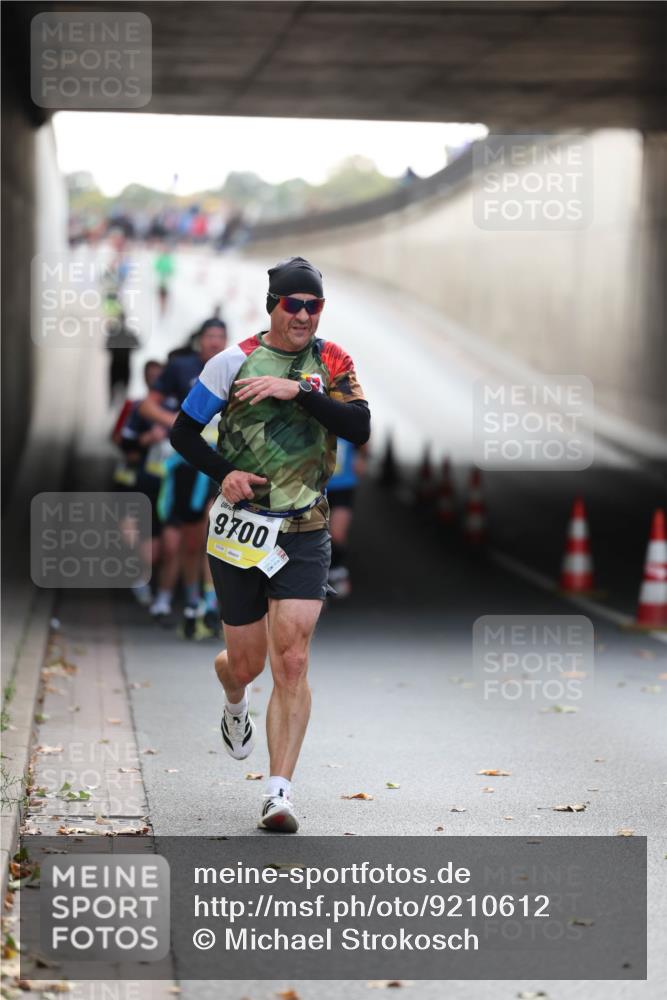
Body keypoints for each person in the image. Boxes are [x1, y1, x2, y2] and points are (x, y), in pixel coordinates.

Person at [170, 256, 370, 832]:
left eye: (314, 305)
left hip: (305, 527)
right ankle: (235, 698)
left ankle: (278, 793)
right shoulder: (230, 362)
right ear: (273, 306)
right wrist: (223, 473)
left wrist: (299, 391)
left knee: (293, 658)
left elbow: (358, 426)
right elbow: (184, 431)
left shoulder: (332, 362)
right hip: (240, 530)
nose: (305, 314)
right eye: (294, 304)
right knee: (247, 663)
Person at [139, 321, 227, 634]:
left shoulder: (236, 367)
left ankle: (210, 600)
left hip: (222, 466)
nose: (215, 343)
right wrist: (179, 426)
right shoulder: (180, 368)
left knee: (215, 530)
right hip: (185, 464)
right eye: (210, 337)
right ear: (199, 340)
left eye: (221, 338)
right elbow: (148, 406)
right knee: (188, 541)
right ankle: (191, 600)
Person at [326, 438, 369, 598]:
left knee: (337, 534)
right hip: (315, 486)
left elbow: (363, 435)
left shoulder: (347, 413)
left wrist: (362, 457)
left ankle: (336, 569)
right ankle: (316, 579)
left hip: (343, 485)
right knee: (313, 532)